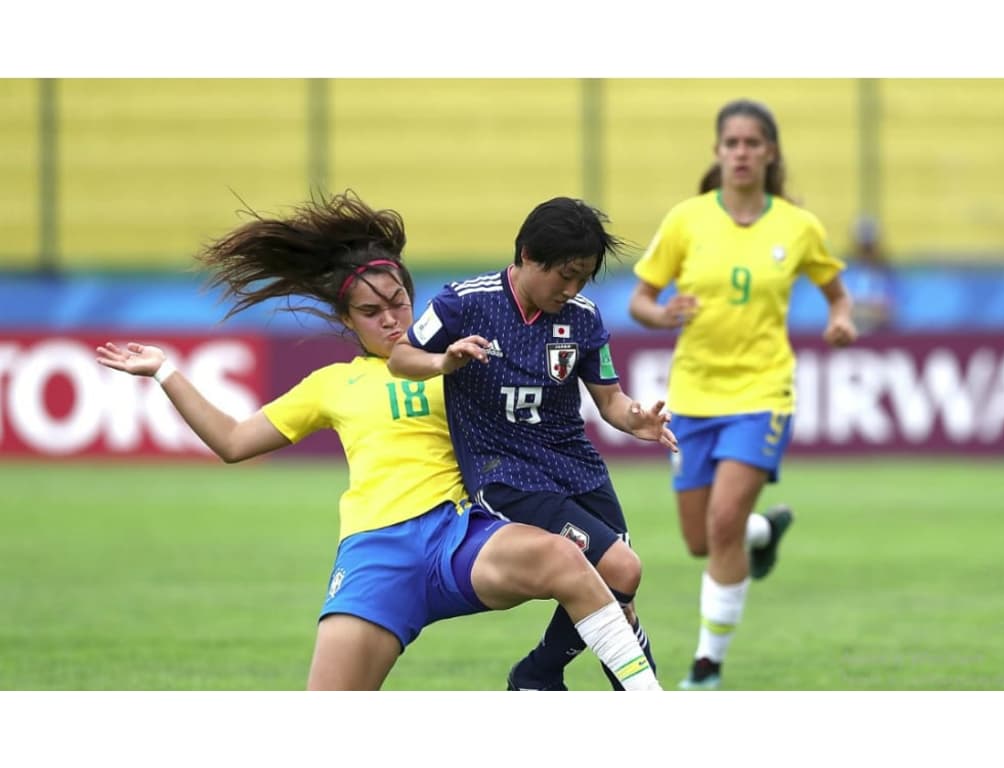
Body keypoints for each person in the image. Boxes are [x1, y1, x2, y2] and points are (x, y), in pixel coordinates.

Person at [94, 191, 662, 691]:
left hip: (464, 535)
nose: (391, 320)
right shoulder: (331, 384)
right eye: (370, 311)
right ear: (347, 321)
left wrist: (625, 413)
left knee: (591, 566)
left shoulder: (464, 361)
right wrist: (166, 373)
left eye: (399, 304)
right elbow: (234, 441)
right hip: (376, 554)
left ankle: (574, 689)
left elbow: (546, 397)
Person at [388, 196, 677, 691]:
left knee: (618, 600)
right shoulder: (465, 303)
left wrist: (636, 421)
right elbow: (400, 355)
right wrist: (443, 362)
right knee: (622, 569)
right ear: (526, 255)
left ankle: (538, 677)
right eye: (565, 274)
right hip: (506, 474)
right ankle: (541, 672)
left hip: (576, 468)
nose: (572, 288)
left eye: (582, 278)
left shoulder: (583, 318)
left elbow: (610, 400)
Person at [627, 99, 858, 690]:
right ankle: (764, 532)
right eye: (731, 143)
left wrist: (840, 319)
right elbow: (640, 300)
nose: (741, 153)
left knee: (724, 521)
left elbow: (836, 292)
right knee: (702, 539)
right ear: (718, 152)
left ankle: (706, 668)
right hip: (695, 393)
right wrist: (662, 314)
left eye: (752, 143)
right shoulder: (687, 220)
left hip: (763, 391)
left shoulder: (798, 227)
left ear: (770, 152)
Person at [845, 214, 896, 334]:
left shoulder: (888, 276)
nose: (866, 253)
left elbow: (892, 311)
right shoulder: (845, 275)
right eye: (863, 248)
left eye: (869, 248)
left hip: (881, 335)